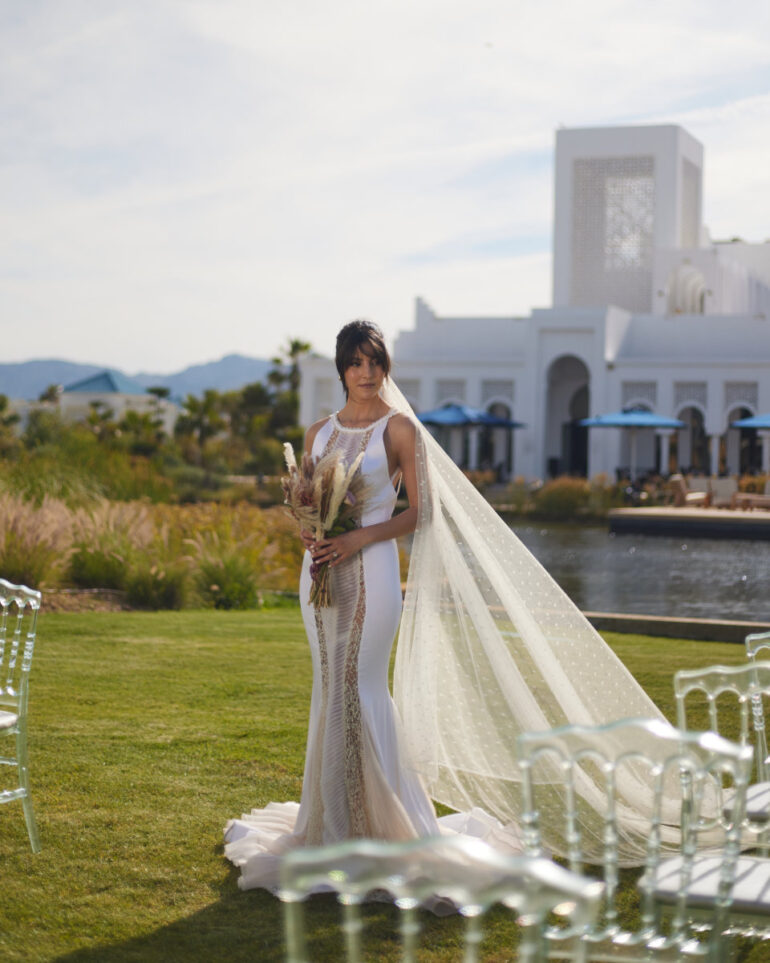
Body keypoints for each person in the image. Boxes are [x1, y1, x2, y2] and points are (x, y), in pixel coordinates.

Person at [224, 320, 516, 893]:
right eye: (356, 362)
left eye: (375, 361)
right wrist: (309, 531)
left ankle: (380, 824)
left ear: (385, 366)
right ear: (341, 368)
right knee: (329, 684)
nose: (366, 372)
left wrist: (359, 537)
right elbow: (306, 502)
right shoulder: (317, 433)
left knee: (360, 685)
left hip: (374, 570)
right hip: (319, 572)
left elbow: (421, 513)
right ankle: (328, 820)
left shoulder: (400, 428)